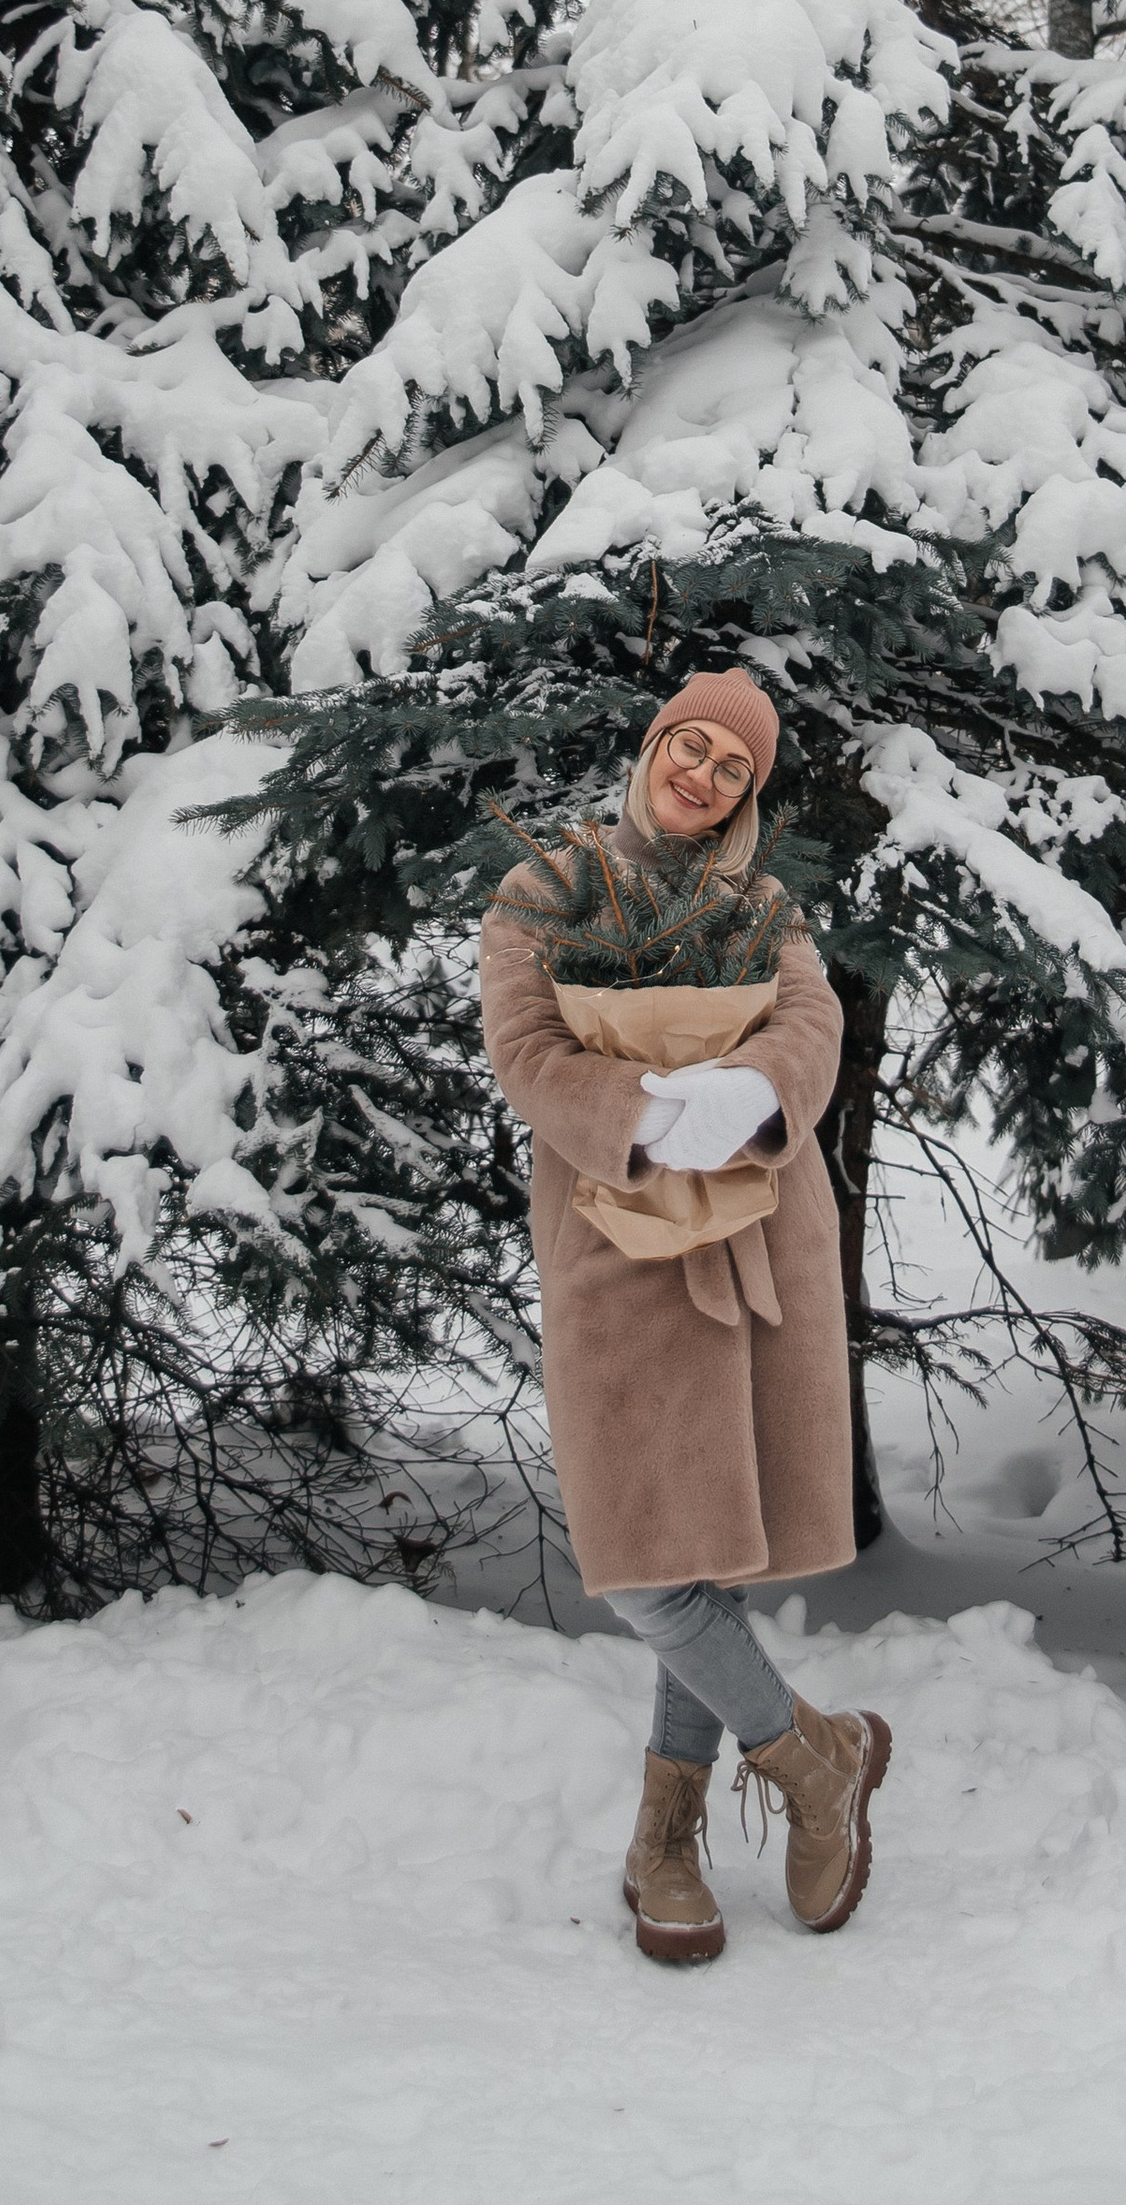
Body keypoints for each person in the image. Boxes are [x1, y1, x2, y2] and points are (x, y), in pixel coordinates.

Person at [480, 667, 892, 1965]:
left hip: (756, 1235)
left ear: (746, 795)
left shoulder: (763, 907)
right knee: (644, 1562)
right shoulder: (546, 887)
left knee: (697, 1548)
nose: (702, 776)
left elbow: (813, 1022)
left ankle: (663, 1840)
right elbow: (525, 1049)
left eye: (731, 767)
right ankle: (814, 1758)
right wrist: (646, 1117)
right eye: (691, 746)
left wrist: (748, 1095)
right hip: (613, 1238)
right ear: (655, 743)